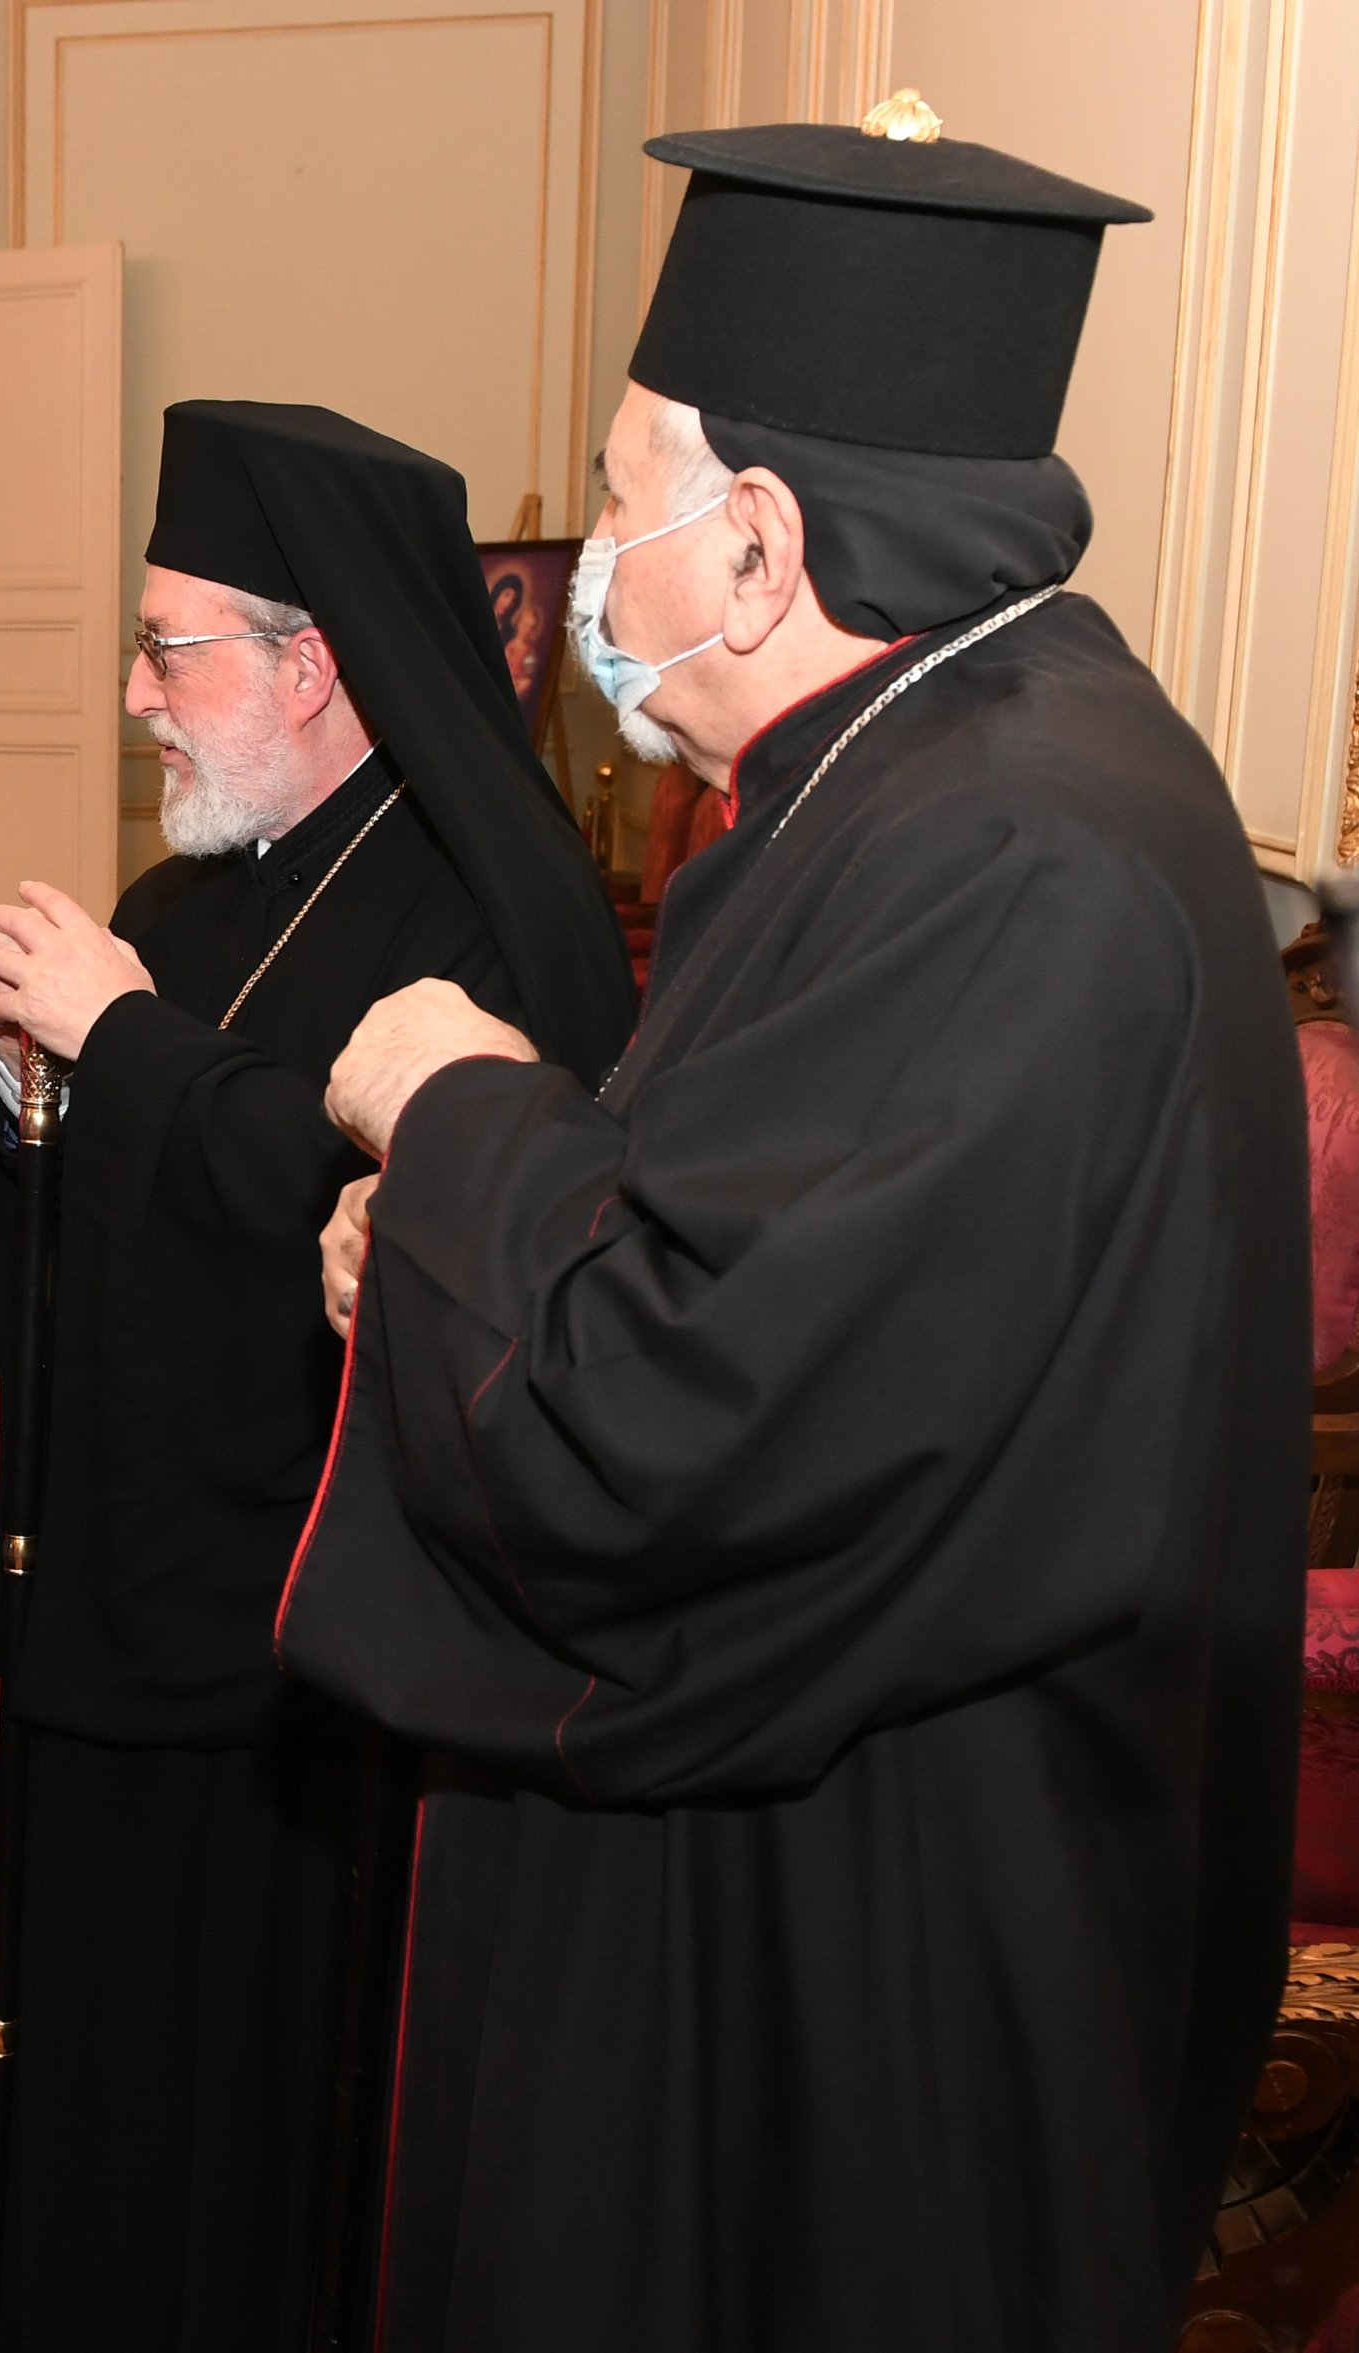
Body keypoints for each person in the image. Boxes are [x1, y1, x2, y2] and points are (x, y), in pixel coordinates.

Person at [286, 114, 1304, 2351]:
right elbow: (764, 1241)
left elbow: (678, 1420)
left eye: (617, 496)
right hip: (864, 1831)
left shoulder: (1002, 848)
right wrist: (452, 1243)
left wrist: (446, 1107)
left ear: (754, 545)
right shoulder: (952, 759)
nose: (593, 587)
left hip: (880, 1922)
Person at [0, 400, 635, 2351]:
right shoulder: (175, 902)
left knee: (254, 2096)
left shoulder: (484, 916)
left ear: (309, 660)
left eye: (167, 649)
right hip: (118, 1596)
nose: (134, 699)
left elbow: (420, 1222)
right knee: (93, 2053)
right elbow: (46, 1277)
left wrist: (127, 1046)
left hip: (303, 1655)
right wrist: (26, 1087)